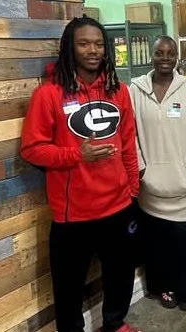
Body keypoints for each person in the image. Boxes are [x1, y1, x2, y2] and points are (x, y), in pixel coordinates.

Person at [20, 16, 141, 332]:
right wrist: (77, 154)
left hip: (118, 205)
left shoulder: (119, 91)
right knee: (68, 287)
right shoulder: (48, 95)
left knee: (120, 273)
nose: (93, 50)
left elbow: (128, 144)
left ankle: (115, 323)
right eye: (84, 43)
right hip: (73, 215)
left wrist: (133, 189)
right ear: (70, 48)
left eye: (99, 44)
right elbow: (32, 149)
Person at [130, 35, 186, 311]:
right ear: (151, 55)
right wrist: (141, 170)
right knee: (158, 249)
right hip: (150, 192)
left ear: (177, 57)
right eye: (159, 52)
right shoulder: (135, 91)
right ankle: (163, 289)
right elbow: (131, 136)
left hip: (185, 191)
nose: (165, 58)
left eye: (170, 53)